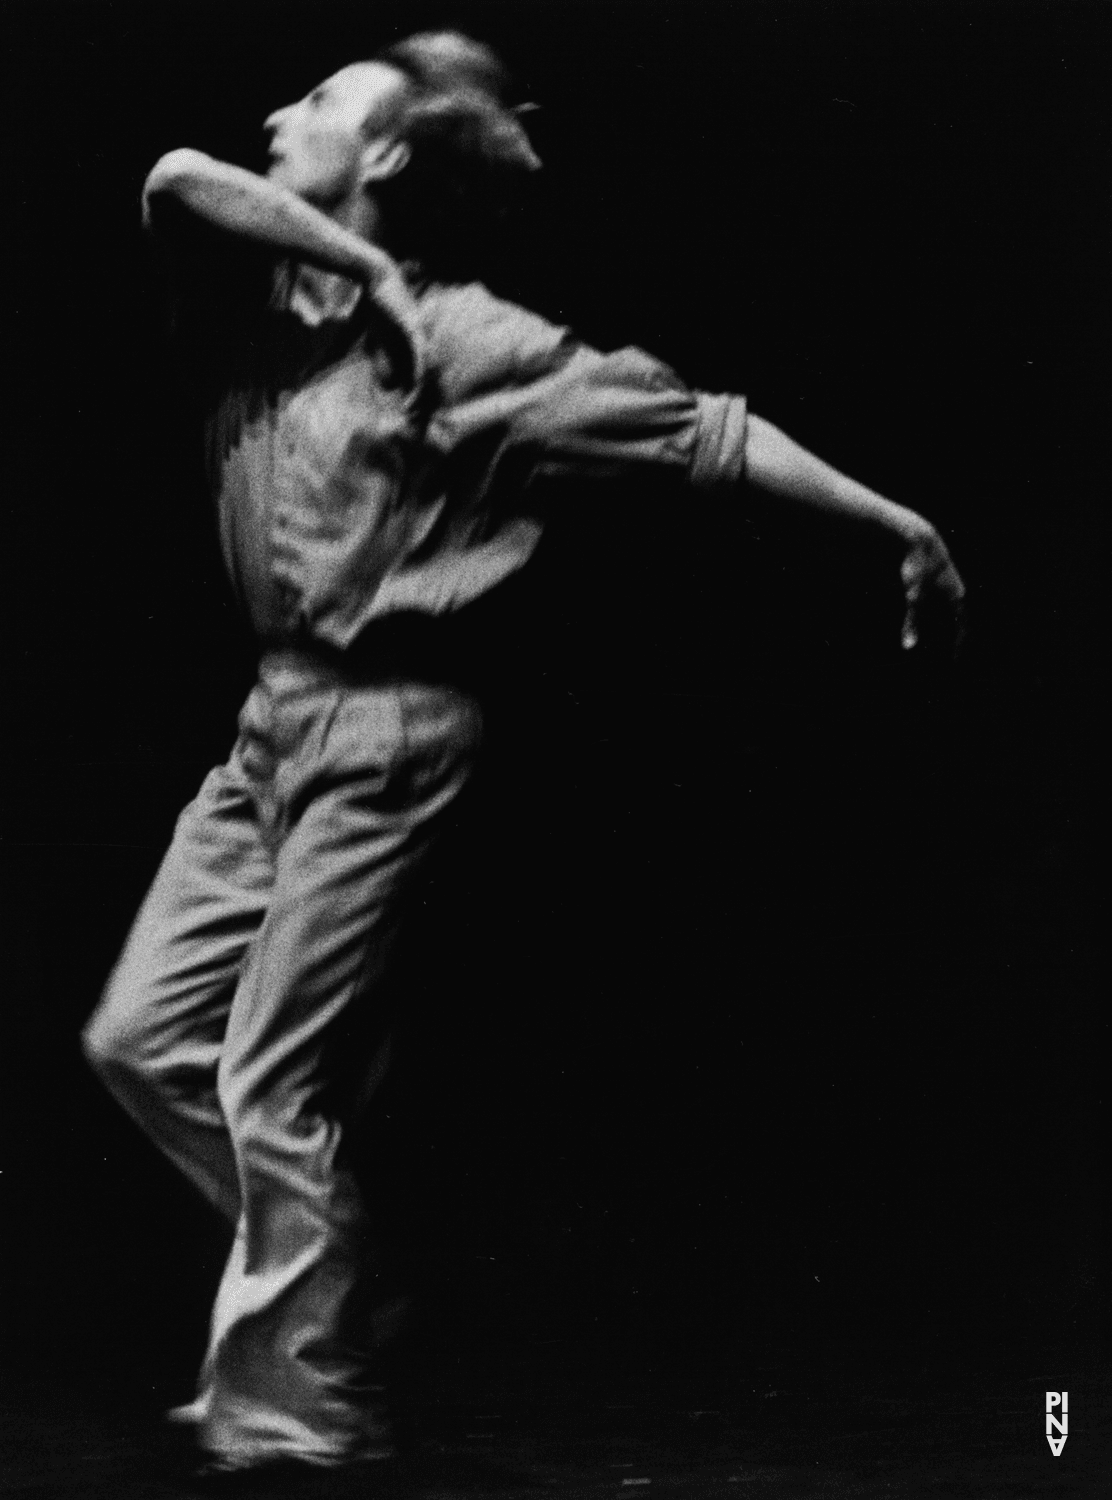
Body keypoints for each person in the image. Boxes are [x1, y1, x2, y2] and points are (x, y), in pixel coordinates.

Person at [82, 29, 965, 1484]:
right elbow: (178, 177)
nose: (273, 114)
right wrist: (365, 278)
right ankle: (343, 1281)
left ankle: (290, 1421)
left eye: (314, 104)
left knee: (264, 1078)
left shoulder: (482, 345)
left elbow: (706, 436)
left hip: (393, 734)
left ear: (385, 160)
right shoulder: (251, 284)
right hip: (269, 724)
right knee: (139, 1044)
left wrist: (898, 527)